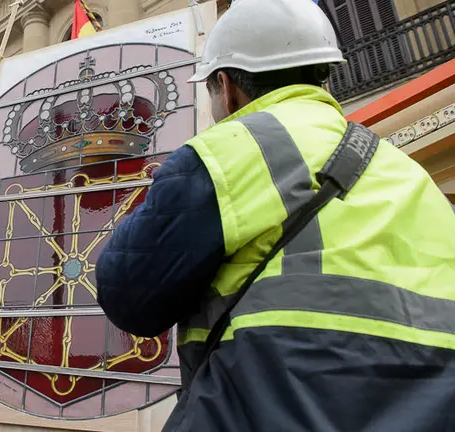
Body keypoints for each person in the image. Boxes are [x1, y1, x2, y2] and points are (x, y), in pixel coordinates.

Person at [95, 0, 455, 430]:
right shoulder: (406, 170)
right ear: (323, 73)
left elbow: (127, 295)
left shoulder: (225, 154)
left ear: (225, 87)